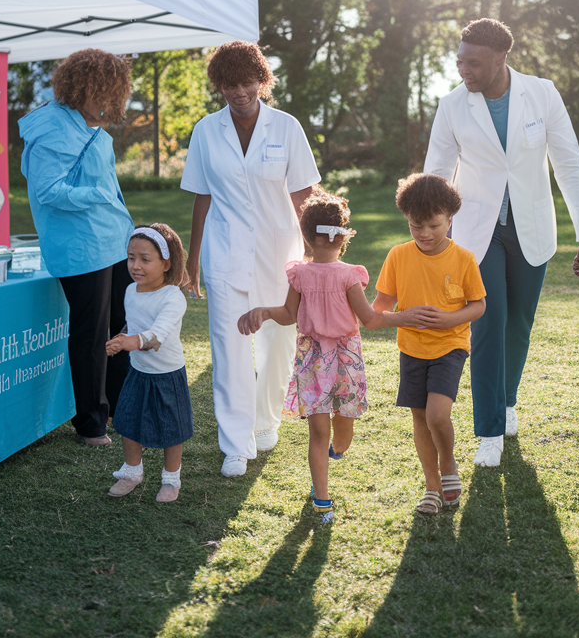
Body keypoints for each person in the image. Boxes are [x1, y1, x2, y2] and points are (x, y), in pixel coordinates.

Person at [424, 18, 579, 468]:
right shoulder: (452, 105)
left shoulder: (541, 93)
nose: (465, 70)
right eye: (460, 61)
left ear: (501, 58)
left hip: (530, 226)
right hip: (475, 231)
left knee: (518, 323)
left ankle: (506, 401)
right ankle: (488, 430)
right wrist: (430, 232)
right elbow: (437, 172)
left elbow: (569, 163)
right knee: (487, 323)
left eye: (474, 63)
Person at [182, 41, 321, 478]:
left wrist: (317, 254)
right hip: (225, 252)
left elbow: (304, 196)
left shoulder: (286, 127)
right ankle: (236, 443)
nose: (239, 92)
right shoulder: (206, 131)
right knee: (229, 347)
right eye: (229, 84)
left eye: (247, 83)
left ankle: (266, 421)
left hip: (280, 251)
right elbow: (202, 196)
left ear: (262, 81)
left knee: (278, 340)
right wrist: (193, 258)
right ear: (218, 85)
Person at [237, 188, 378, 519]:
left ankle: (338, 450)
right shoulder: (300, 274)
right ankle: (322, 497)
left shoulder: (348, 276)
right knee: (320, 430)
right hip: (314, 358)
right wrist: (265, 311)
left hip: (344, 357)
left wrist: (402, 318)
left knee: (343, 425)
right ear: (342, 236)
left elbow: (367, 317)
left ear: (306, 235)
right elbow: (289, 313)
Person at [19, 49, 135, 447]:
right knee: (90, 334)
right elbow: (49, 191)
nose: (108, 102)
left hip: (114, 240)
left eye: (113, 93)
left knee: (123, 325)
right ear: (81, 87)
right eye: (102, 92)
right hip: (81, 248)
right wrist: (98, 195)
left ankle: (120, 408)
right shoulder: (52, 126)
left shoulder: (89, 127)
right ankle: (90, 424)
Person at [373, 174, 486, 515]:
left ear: (450, 219)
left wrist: (451, 320)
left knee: (438, 414)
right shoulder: (398, 256)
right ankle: (431, 487)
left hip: (451, 345)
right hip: (411, 348)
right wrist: (401, 318)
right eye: (415, 226)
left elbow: (478, 305)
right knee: (420, 418)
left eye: (434, 226)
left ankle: (448, 465)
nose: (424, 234)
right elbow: (379, 309)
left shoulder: (464, 259)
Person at [106, 224, 192, 503]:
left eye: (145, 259)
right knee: (127, 422)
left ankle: (171, 479)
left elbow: (156, 335)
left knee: (171, 430)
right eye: (131, 258)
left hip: (166, 375)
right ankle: (132, 472)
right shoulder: (131, 291)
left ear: (166, 263)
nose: (136, 265)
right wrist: (122, 337)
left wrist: (128, 343)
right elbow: (134, 324)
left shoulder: (173, 297)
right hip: (138, 372)